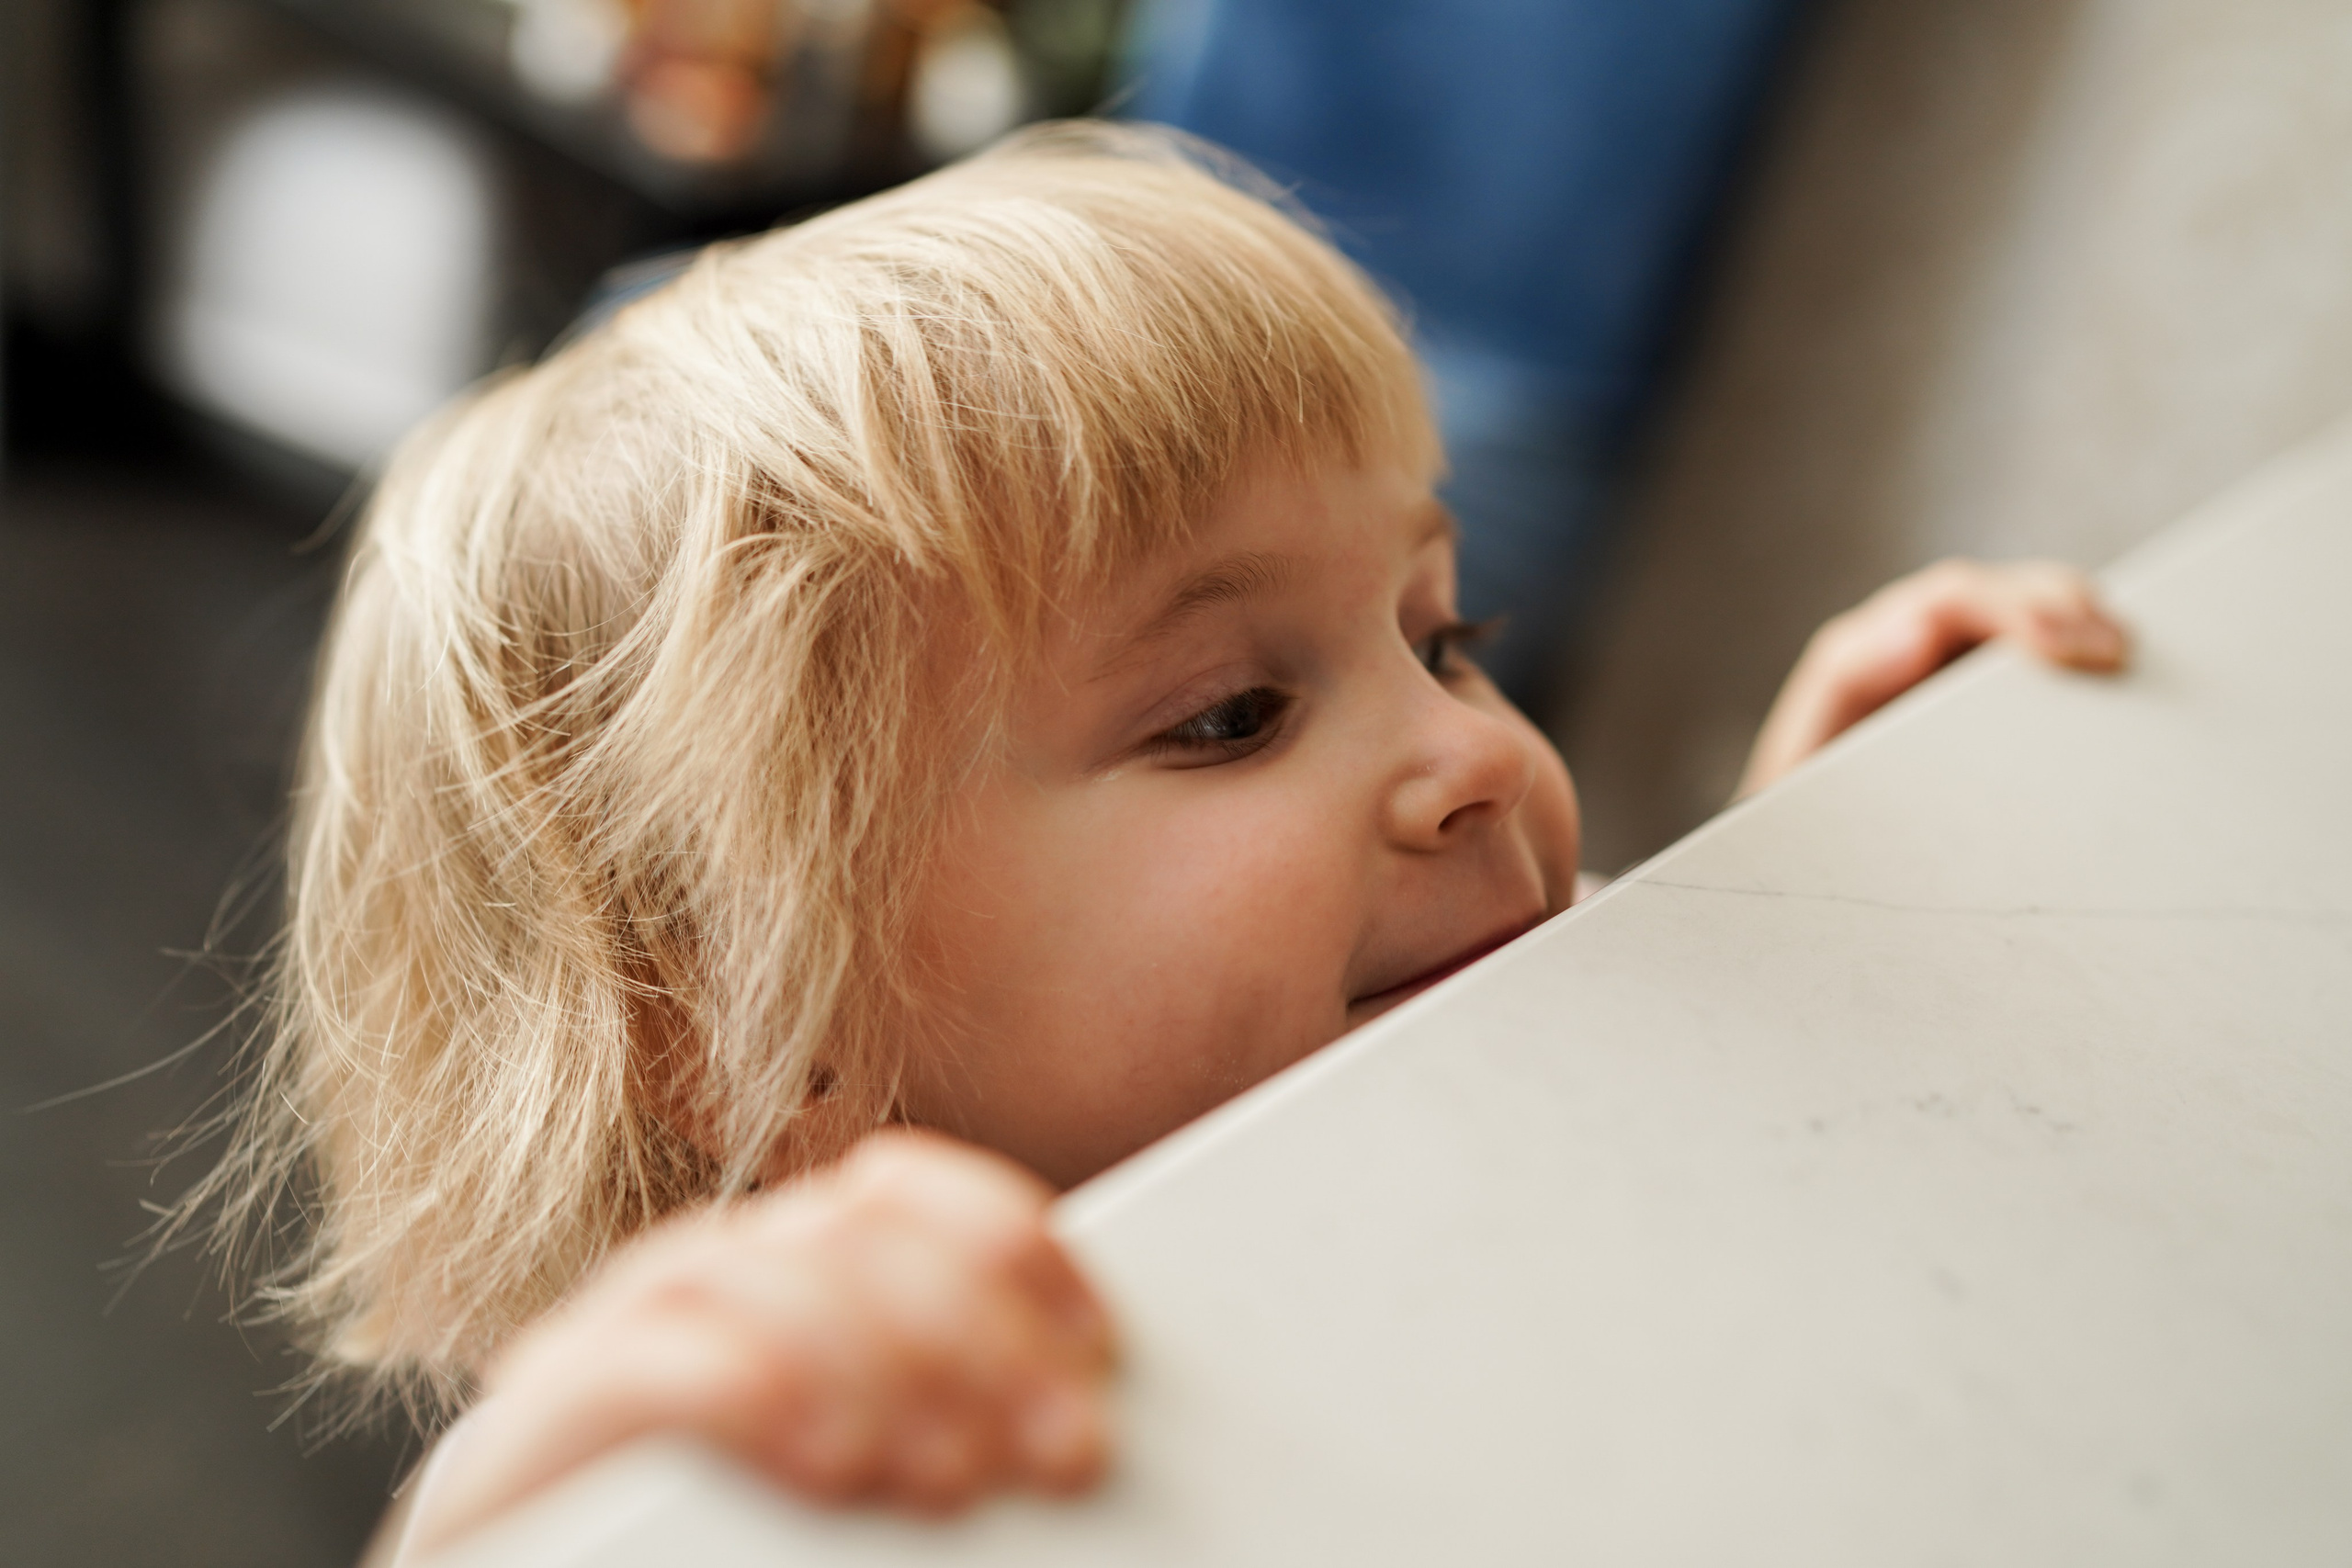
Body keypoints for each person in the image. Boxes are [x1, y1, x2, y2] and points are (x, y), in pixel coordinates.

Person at [177, 124, 2127, 1562]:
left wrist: (1801, 866)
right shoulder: (807, 1447)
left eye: (1439, 635)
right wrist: (571, 1495)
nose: (1463, 751)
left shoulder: (1423, 1053)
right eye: (1228, 714)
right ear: (723, 1020)